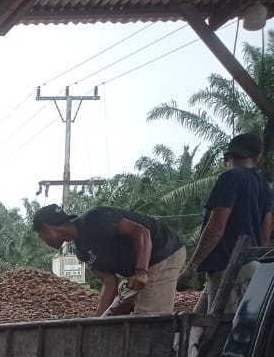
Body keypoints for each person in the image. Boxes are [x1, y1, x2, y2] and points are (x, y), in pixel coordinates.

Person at [178, 132, 274, 315]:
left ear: (228, 156)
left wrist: (191, 268)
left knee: (223, 333)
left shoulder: (230, 178)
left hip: (228, 270)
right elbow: (264, 236)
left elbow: (216, 227)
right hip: (250, 268)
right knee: (198, 325)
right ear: (257, 157)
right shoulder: (264, 187)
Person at [32, 203, 186, 316]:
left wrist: (141, 271)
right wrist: (97, 320)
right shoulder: (82, 251)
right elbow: (109, 281)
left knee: (147, 319)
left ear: (49, 228)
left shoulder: (95, 219)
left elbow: (141, 232)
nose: (42, 239)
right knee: (116, 315)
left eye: (41, 235)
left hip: (163, 253)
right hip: (136, 272)